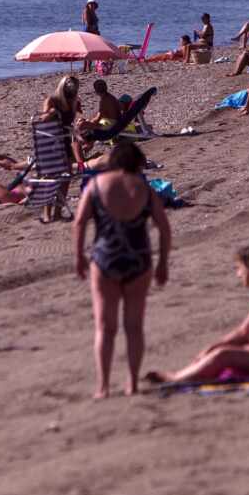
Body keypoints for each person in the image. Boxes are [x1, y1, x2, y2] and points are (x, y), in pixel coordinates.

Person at [72, 142, 171, 398]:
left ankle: (103, 387)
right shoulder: (144, 189)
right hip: (139, 259)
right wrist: (162, 263)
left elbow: (80, 222)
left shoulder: (96, 185)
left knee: (105, 328)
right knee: (134, 326)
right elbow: (164, 226)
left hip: (106, 259)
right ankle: (132, 384)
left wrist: (79, 257)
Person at [145, 244, 249, 386]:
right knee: (220, 350)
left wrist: (235, 352)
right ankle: (180, 374)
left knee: (224, 355)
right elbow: (245, 331)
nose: (238, 274)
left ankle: (178, 379)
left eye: (239, 268)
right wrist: (213, 347)